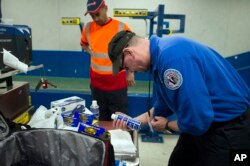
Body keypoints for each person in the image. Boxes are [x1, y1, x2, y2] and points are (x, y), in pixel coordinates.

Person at [108, 30, 250, 166]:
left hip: (229, 129)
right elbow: (163, 105)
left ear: (129, 52)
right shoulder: (160, 56)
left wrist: (167, 125)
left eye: (126, 67)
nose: (131, 71)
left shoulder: (173, 59)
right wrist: (133, 122)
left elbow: (197, 120)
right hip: (202, 127)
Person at [80, 0, 135, 120]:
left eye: (97, 14)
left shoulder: (121, 27)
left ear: (105, 8)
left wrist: (130, 72)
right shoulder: (88, 28)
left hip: (116, 84)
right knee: (100, 119)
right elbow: (84, 44)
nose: (95, 18)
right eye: (92, 16)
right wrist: (91, 52)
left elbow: (132, 51)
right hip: (97, 84)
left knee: (120, 121)